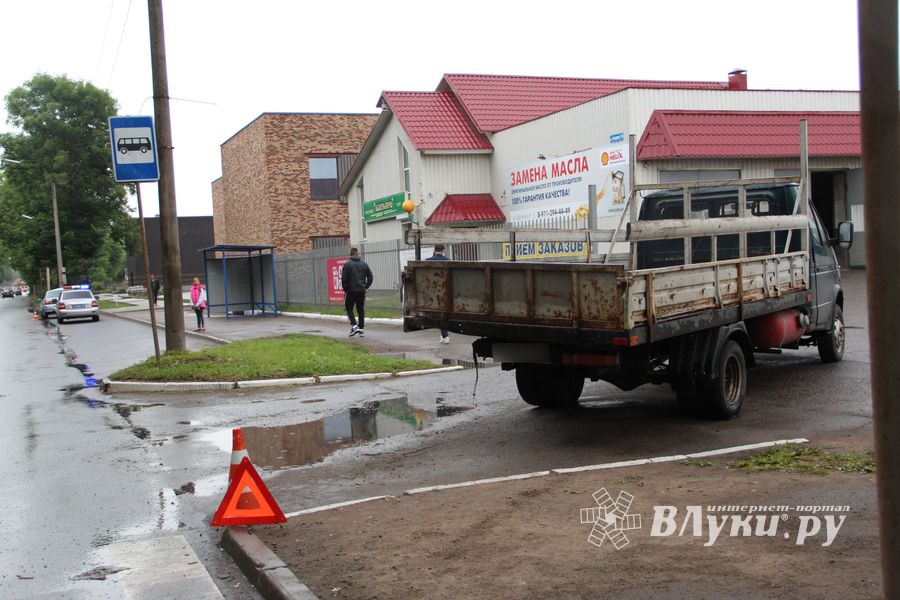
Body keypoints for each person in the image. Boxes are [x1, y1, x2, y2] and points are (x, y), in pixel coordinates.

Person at [341, 247, 373, 337]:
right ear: (357, 254)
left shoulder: (347, 265)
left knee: (349, 308)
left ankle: (354, 326)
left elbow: (344, 279)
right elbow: (370, 277)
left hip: (351, 291)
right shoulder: (364, 264)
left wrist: (345, 289)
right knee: (360, 309)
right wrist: (366, 287)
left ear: (350, 255)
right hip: (361, 291)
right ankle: (361, 329)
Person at [426, 244, 451, 344]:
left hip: (433, 290)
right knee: (443, 313)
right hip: (446, 290)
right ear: (443, 250)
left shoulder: (428, 261)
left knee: (439, 314)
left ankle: (445, 336)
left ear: (434, 250)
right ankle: (443, 335)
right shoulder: (448, 261)